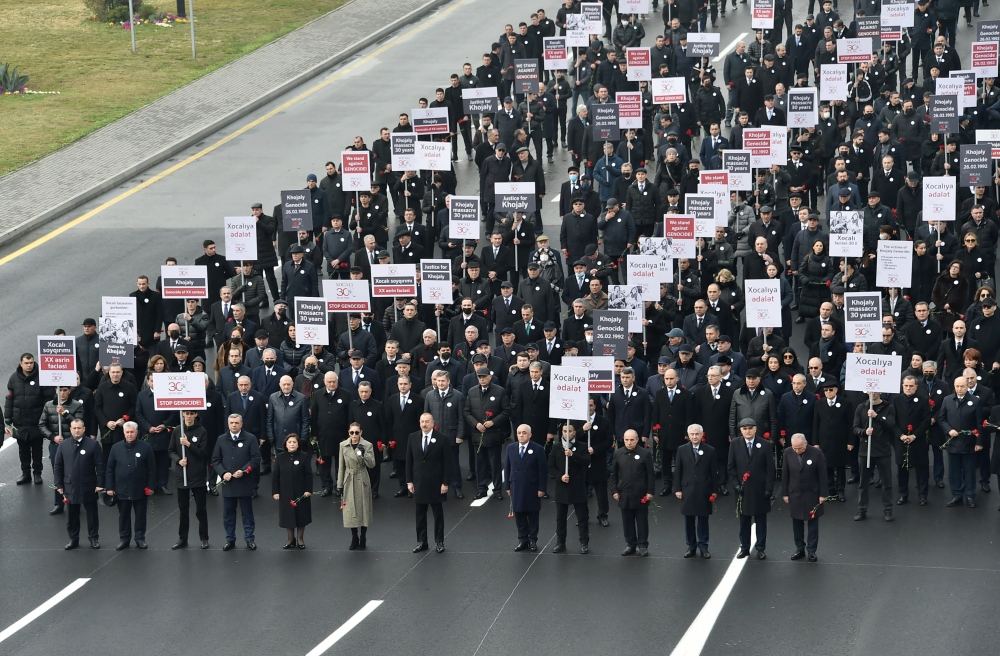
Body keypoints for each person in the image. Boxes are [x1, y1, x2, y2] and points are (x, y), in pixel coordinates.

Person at [212, 414, 262, 551]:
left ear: (241, 424)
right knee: (228, 515)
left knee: (247, 514)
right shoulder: (221, 439)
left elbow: (256, 459)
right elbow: (215, 460)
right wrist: (223, 473)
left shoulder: (250, 438)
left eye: (236, 423)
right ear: (228, 424)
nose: (234, 425)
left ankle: (250, 539)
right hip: (228, 484)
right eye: (231, 423)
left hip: (244, 482)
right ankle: (230, 539)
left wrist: (245, 470)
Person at [728, 417, 776, 559]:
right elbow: (731, 467)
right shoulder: (735, 444)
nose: (747, 431)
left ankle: (760, 548)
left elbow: (770, 469)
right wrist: (736, 485)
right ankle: (744, 548)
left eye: (750, 428)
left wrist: (769, 488)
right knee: (744, 522)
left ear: (755, 429)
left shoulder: (765, 444)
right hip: (742, 491)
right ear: (741, 430)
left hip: (760, 490)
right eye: (744, 428)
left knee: (761, 521)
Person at [53, 418, 104, 550]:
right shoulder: (63, 446)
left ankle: (94, 538)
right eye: (74, 428)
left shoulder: (93, 444)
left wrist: (100, 483)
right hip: (70, 487)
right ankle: (73, 539)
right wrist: (58, 485)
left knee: (92, 514)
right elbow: (58, 466)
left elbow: (100, 465)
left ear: (84, 429)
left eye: (79, 428)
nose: (77, 430)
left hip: (89, 486)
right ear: (70, 429)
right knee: (72, 515)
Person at [105, 421, 155, 551]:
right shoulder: (115, 448)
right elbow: (109, 468)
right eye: (127, 432)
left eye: (132, 432)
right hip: (121, 489)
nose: (130, 434)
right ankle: (124, 539)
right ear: (123, 433)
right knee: (123, 516)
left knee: (140, 515)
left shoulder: (146, 447)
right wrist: (110, 487)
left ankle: (140, 538)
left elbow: (151, 469)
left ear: (137, 432)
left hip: (140, 489)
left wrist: (150, 486)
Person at [406, 413, 452, 553]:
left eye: (427, 422)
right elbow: (409, 460)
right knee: (420, 514)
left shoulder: (442, 439)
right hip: (419, 482)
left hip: (436, 483)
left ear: (433, 423)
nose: (424, 424)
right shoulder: (412, 437)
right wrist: (409, 481)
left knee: (438, 514)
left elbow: (447, 463)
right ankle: (422, 542)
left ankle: (439, 542)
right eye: (422, 422)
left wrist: (445, 482)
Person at [674, 423, 718, 559]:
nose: (694, 436)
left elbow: (713, 473)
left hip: (704, 490)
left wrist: (714, 490)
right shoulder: (681, 450)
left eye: (697, 434)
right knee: (689, 520)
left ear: (702, 434)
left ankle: (703, 546)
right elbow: (678, 470)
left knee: (703, 519)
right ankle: (691, 546)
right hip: (687, 490)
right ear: (688, 435)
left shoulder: (710, 450)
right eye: (692, 434)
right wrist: (677, 489)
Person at [938, 376, 984, 508]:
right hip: (953, 442)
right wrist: (948, 430)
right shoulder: (947, 400)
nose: (959, 389)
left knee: (969, 470)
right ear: (954, 386)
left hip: (969, 443)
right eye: (957, 386)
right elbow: (941, 418)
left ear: (967, 386)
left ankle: (970, 495)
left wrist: (979, 442)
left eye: (962, 386)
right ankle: (956, 494)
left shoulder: (975, 401)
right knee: (954, 471)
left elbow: (979, 424)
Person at [851, 391, 897, 522]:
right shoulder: (861, 407)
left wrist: (877, 416)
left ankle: (888, 510)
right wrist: (864, 432)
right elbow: (855, 428)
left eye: (876, 391)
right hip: (865, 451)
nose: (873, 393)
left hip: (883, 451)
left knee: (886, 482)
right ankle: (861, 510)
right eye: (870, 391)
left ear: (880, 392)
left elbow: (891, 425)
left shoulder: (889, 407)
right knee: (863, 483)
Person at [782, 433, 828, 562]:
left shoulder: (816, 453)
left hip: (812, 494)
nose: (797, 451)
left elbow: (822, 475)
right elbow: (785, 474)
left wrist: (823, 494)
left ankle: (812, 551)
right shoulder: (787, 452)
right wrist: (785, 493)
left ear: (805, 444)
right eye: (794, 448)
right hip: (795, 493)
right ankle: (799, 549)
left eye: (800, 448)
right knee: (797, 523)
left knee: (813, 523)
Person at [168, 410, 210, 549]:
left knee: (200, 509)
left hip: (197, 475)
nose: (189, 416)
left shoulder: (202, 431)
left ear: (196, 414)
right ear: (182, 414)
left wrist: (188, 444)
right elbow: (171, 451)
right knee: (183, 510)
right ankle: (182, 539)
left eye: (191, 413)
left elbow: (203, 453)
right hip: (182, 475)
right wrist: (179, 460)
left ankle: (204, 538)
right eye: (186, 413)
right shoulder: (177, 430)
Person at [611, 428, 654, 556]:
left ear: (637, 439)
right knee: (627, 521)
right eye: (626, 440)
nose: (629, 442)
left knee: (642, 521)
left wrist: (650, 492)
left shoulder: (645, 454)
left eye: (632, 440)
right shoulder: (618, 453)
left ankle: (642, 545)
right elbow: (614, 474)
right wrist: (614, 490)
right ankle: (630, 544)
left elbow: (650, 475)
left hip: (641, 494)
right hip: (624, 494)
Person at [5, 353, 47, 485]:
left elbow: (47, 399)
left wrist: (46, 418)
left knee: (37, 450)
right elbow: (9, 399)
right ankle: (26, 474)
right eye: (26, 363)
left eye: (31, 363)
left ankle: (37, 474)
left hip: (36, 422)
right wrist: (7, 419)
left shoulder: (42, 377)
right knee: (23, 450)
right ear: (21, 363)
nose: (29, 365)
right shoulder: (13, 378)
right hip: (20, 422)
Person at [504, 424, 547, 552]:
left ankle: (532, 540)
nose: (521, 435)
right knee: (519, 514)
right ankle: (522, 540)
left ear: (530, 435)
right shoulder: (510, 448)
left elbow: (542, 471)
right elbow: (507, 467)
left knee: (533, 514)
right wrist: (507, 485)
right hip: (516, 486)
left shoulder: (538, 449)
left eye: (524, 433)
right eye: (519, 433)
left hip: (532, 488)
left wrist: (542, 488)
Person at [548, 423, 590, 554]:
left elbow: (586, 461)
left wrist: (573, 455)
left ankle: (584, 543)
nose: (567, 433)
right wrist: (560, 476)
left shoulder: (582, 446)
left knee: (582, 517)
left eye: (570, 431)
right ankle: (560, 542)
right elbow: (550, 467)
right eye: (565, 430)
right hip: (562, 487)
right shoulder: (556, 447)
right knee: (560, 518)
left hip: (578, 486)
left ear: (574, 433)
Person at [338, 423, 375, 550]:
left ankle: (363, 536)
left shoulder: (367, 445)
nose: (354, 435)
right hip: (349, 478)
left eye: (356, 432)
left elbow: (372, 464)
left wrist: (363, 455)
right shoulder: (343, 445)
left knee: (364, 508)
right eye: (351, 432)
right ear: (348, 432)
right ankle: (354, 537)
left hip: (362, 478)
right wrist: (339, 485)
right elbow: (341, 466)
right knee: (350, 510)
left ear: (361, 432)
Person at [272, 434, 313, 549]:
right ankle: (290, 539)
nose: (292, 444)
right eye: (289, 442)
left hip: (301, 492)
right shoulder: (280, 457)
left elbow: (308, 475)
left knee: (301, 516)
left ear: (298, 444)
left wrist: (308, 490)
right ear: (285, 444)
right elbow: (275, 476)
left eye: (294, 442)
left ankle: (300, 539)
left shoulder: (304, 456)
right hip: (285, 492)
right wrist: (275, 491)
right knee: (288, 516)